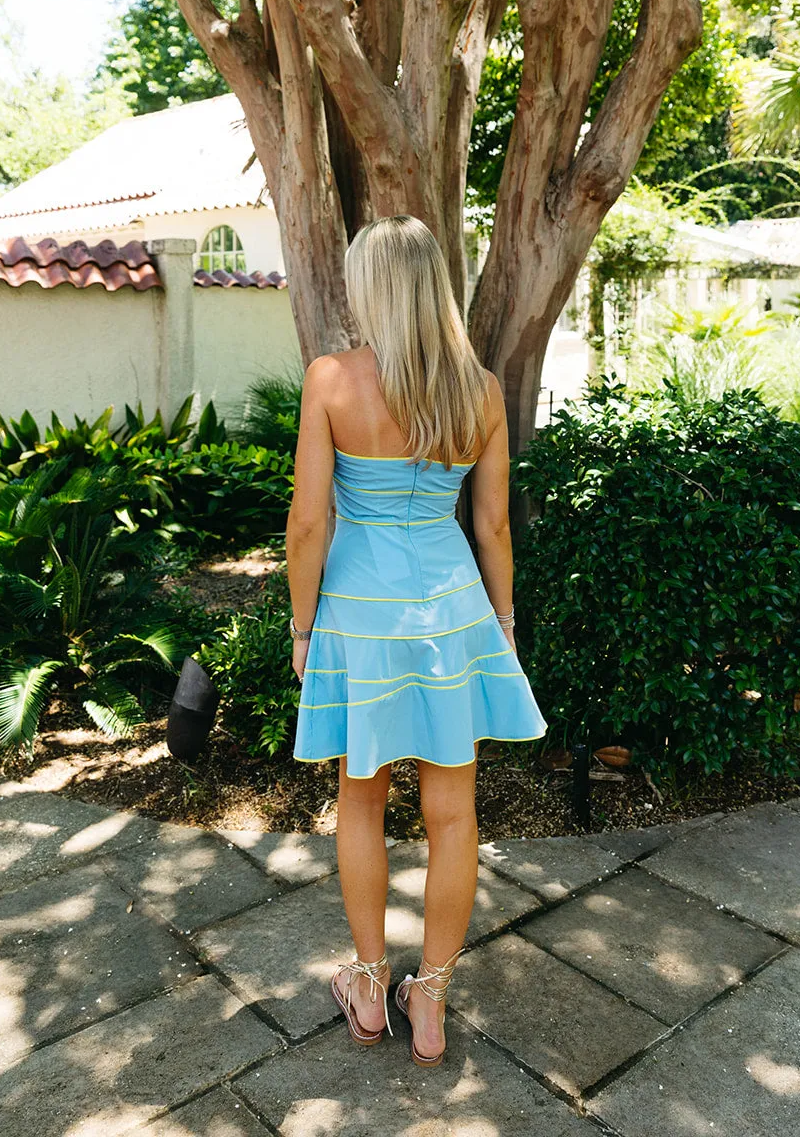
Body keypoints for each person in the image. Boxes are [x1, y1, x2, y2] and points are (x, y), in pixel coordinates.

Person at [285, 214, 547, 1067]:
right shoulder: (476, 390)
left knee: (359, 799)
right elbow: (495, 528)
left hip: (358, 620)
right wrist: (502, 630)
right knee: (453, 812)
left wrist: (301, 625)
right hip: (449, 617)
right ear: (435, 284)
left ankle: (368, 985)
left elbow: (308, 524)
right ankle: (427, 1001)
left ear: (369, 287)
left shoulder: (330, 380)